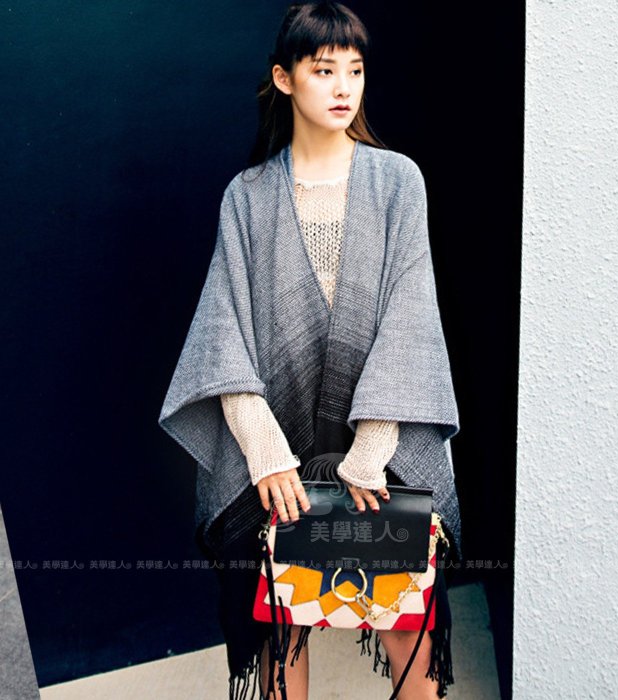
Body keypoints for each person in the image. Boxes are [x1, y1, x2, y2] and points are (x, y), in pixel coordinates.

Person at [158, 2, 462, 698]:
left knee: (410, 633)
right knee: (280, 631)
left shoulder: (398, 181)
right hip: (277, 452)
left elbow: (412, 321)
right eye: (324, 70)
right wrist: (265, 451)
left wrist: (372, 447)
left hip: (382, 447)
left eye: (355, 69)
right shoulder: (247, 197)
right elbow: (222, 334)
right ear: (284, 77)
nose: (343, 86)